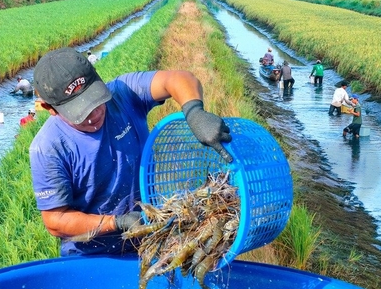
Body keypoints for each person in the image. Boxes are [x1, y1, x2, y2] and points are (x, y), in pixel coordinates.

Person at [29, 47, 232, 257]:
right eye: (79, 112)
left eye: (94, 100)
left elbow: (178, 79)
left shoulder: (123, 93)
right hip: (92, 254)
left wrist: (194, 111)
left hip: (149, 238)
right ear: (50, 108)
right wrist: (116, 223)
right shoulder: (48, 147)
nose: (93, 114)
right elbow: (55, 221)